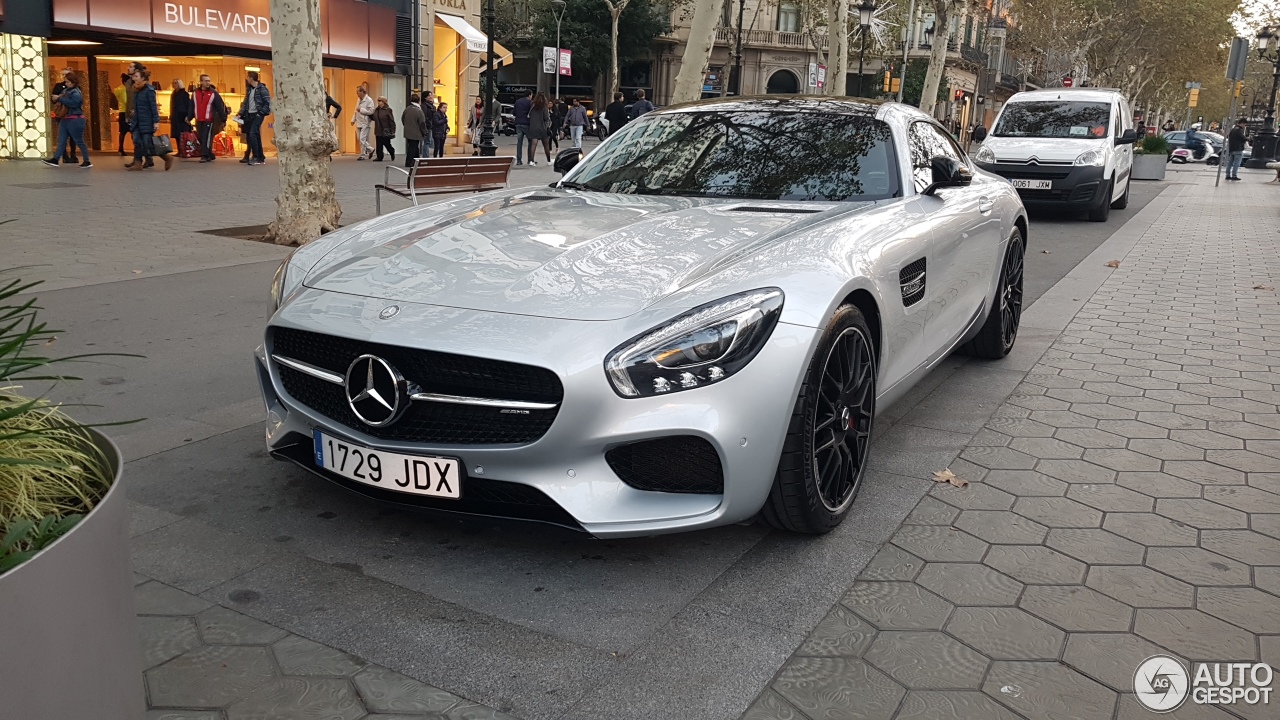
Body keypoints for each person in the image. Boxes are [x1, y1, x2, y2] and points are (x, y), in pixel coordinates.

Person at [42, 71, 91, 168]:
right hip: (65, 118)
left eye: (68, 82)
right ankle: (55, 159)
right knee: (61, 140)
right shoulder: (66, 91)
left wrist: (59, 99)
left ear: (73, 82)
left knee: (79, 140)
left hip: (75, 119)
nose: (66, 83)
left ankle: (87, 160)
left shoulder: (76, 92)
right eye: (66, 81)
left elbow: (74, 103)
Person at [128, 67, 172, 171]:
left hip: (146, 121)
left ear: (143, 78)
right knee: (137, 142)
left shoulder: (149, 90)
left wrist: (156, 121)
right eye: (134, 76)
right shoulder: (136, 90)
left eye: (136, 76)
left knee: (148, 143)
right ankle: (138, 163)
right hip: (137, 121)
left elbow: (153, 106)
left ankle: (166, 157)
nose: (134, 79)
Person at [191, 74, 227, 163]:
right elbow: (192, 106)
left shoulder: (214, 93)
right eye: (206, 81)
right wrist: (189, 117)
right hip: (199, 119)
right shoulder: (195, 93)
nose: (208, 83)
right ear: (201, 82)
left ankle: (204, 155)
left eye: (209, 81)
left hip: (209, 119)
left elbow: (220, 106)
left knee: (206, 137)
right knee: (200, 137)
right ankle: (209, 154)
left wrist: (223, 118)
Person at [240, 70, 270, 165]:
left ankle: (256, 156)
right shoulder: (249, 89)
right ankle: (260, 157)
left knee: (252, 134)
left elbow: (267, 102)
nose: (247, 79)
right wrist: (240, 113)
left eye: (248, 77)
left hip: (257, 114)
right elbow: (246, 102)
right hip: (250, 114)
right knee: (255, 135)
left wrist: (260, 113)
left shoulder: (262, 89)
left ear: (251, 78)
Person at [50, 68, 78, 164]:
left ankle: (73, 155)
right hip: (62, 114)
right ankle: (65, 156)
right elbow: (53, 99)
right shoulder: (59, 86)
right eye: (64, 75)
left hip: (73, 114)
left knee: (73, 136)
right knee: (64, 136)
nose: (65, 77)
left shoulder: (76, 88)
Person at [401, 92, 430, 167]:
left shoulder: (407, 109)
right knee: (413, 147)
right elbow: (422, 123)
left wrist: (407, 126)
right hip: (416, 132)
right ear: (418, 101)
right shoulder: (418, 111)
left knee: (412, 146)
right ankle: (409, 161)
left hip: (407, 131)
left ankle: (416, 160)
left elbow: (402, 119)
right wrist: (425, 132)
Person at [351, 85, 375, 159]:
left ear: (362, 92)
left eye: (357, 92)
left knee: (362, 138)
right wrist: (353, 119)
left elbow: (371, 111)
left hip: (365, 122)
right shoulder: (358, 100)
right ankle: (364, 153)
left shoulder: (369, 100)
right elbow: (356, 110)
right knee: (359, 138)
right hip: (359, 121)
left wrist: (361, 110)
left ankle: (369, 150)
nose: (356, 93)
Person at [527, 94, 552, 165]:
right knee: (546, 144)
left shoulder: (532, 106)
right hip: (542, 127)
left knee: (533, 144)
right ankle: (549, 161)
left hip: (533, 127)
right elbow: (546, 118)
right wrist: (548, 126)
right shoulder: (544, 107)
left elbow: (529, 115)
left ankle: (531, 160)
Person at [372, 96, 396, 162]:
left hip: (386, 130)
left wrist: (392, 130)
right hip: (378, 129)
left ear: (384, 102)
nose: (379, 102)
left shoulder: (388, 110)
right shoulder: (377, 110)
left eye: (380, 101)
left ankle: (391, 151)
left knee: (386, 144)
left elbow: (391, 121)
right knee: (379, 144)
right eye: (378, 101)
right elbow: (373, 117)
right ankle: (379, 157)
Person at [513, 89, 533, 165]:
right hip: (527, 124)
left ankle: (519, 160)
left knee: (519, 142)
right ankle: (530, 159)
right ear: (529, 95)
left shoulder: (517, 102)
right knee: (530, 141)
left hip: (518, 123)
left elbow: (514, 112)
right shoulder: (530, 102)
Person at [114, 74, 130, 156]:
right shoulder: (124, 89)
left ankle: (121, 148)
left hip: (122, 111)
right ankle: (121, 149)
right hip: (126, 112)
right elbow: (125, 101)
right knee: (130, 131)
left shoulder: (118, 89)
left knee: (122, 132)